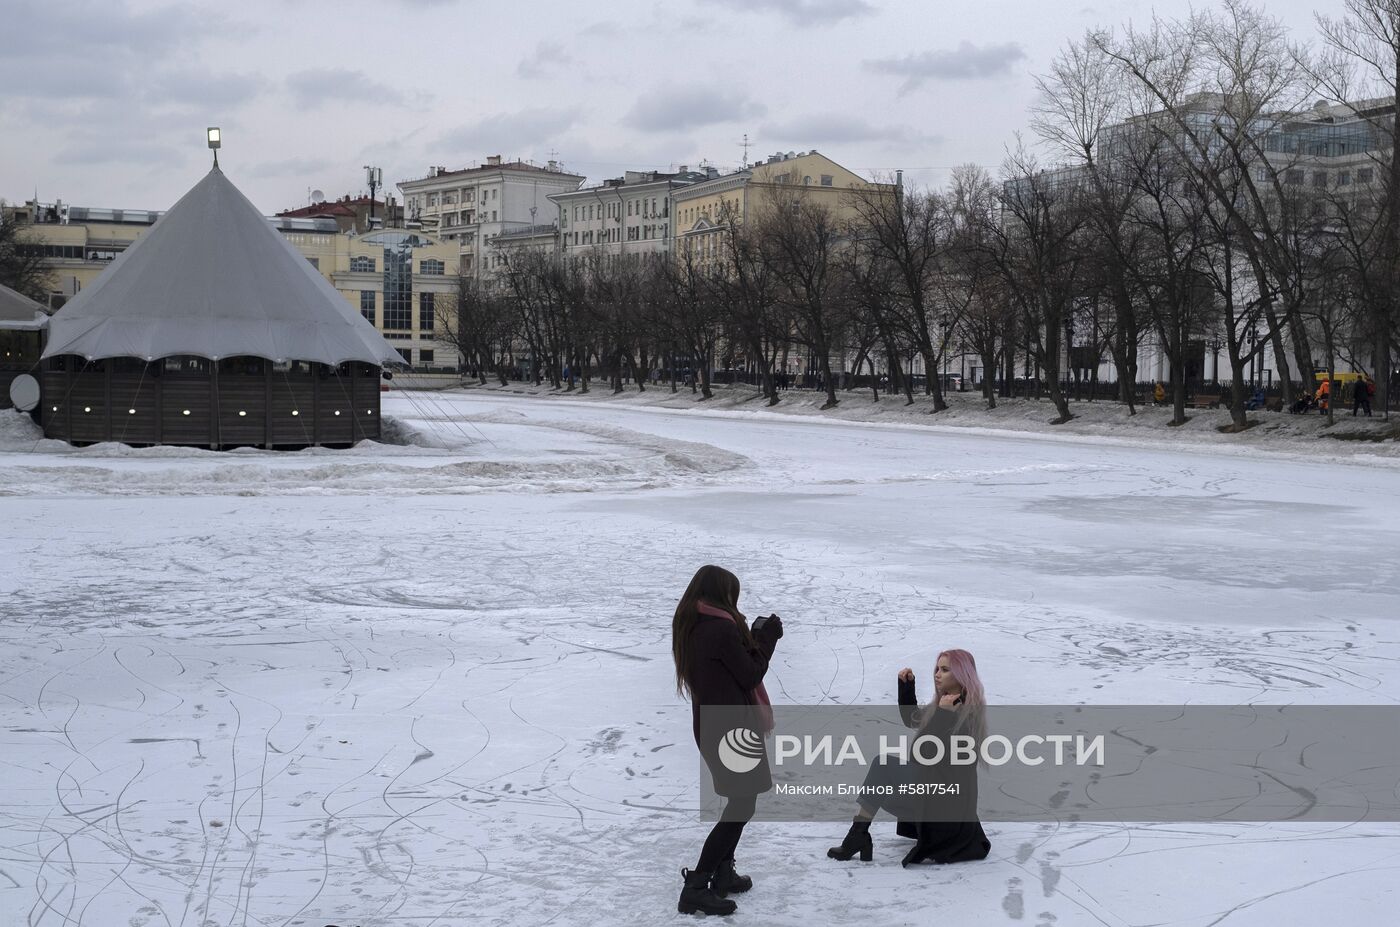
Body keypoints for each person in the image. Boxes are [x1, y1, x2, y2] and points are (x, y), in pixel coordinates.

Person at [673, 565, 784, 916]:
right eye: (733, 595)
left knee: (740, 801)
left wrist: (750, 637)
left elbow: (730, 669)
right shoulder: (720, 628)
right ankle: (698, 884)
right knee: (742, 805)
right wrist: (767, 639)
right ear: (723, 594)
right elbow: (750, 673)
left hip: (712, 726)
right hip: (731, 730)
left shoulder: (692, 624)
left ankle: (723, 872)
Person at [827, 649, 992, 868]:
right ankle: (859, 835)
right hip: (932, 789)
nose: (937, 674)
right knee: (880, 781)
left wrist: (943, 714)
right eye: (936, 668)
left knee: (882, 766)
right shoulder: (946, 703)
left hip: (945, 802)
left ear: (962, 675)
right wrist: (907, 687)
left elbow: (931, 754)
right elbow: (912, 719)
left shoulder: (966, 714)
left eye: (945, 670)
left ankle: (857, 836)